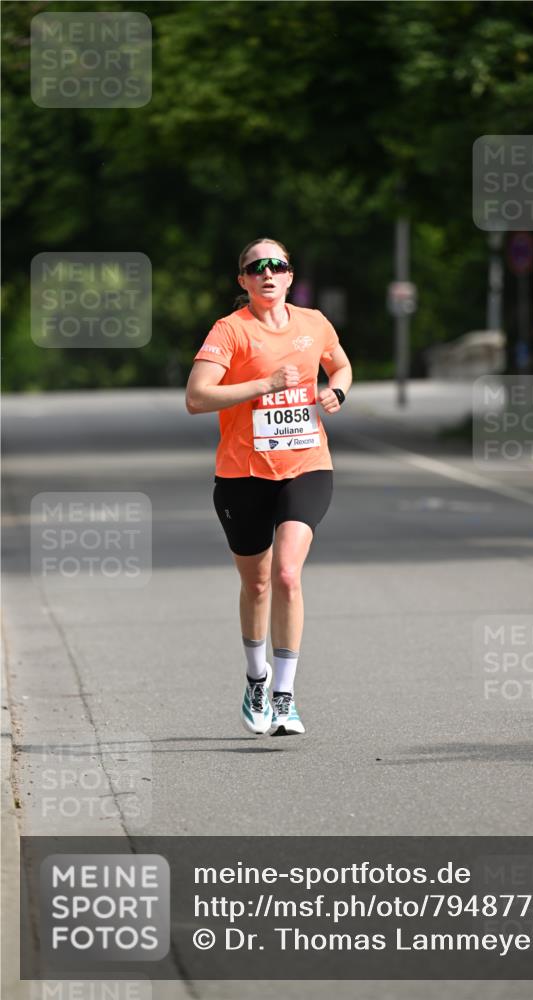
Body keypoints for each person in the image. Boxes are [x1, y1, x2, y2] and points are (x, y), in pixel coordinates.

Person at [185, 238, 352, 736]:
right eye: (256, 267)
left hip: (306, 464)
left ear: (289, 275)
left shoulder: (314, 323)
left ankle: (284, 695)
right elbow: (196, 398)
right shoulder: (230, 331)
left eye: (277, 265)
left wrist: (336, 389)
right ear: (243, 281)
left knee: (285, 575)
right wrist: (263, 385)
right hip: (242, 474)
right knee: (256, 583)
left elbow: (340, 363)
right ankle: (255, 678)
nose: (268, 273)